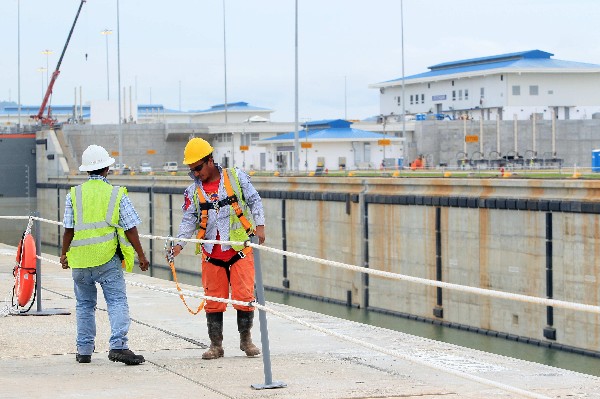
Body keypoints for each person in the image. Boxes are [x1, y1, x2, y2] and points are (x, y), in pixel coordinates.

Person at [172, 137, 265, 360]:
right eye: (191, 170)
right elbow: (189, 220)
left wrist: (260, 225)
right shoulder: (193, 191)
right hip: (212, 253)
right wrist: (179, 244)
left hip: (239, 249)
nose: (196, 173)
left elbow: (254, 200)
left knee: (244, 297)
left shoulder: (235, 177)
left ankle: (246, 341)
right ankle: (216, 345)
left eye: (198, 168)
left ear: (210, 161)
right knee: (213, 300)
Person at [60, 144, 149, 365]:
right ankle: (118, 346)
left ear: (86, 170)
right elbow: (130, 229)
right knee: (117, 301)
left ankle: (84, 351)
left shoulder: (74, 194)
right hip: (106, 258)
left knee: (84, 305)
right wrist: (141, 255)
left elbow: (68, 230)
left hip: (80, 260)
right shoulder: (116, 194)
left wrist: (64, 255)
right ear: (107, 168)